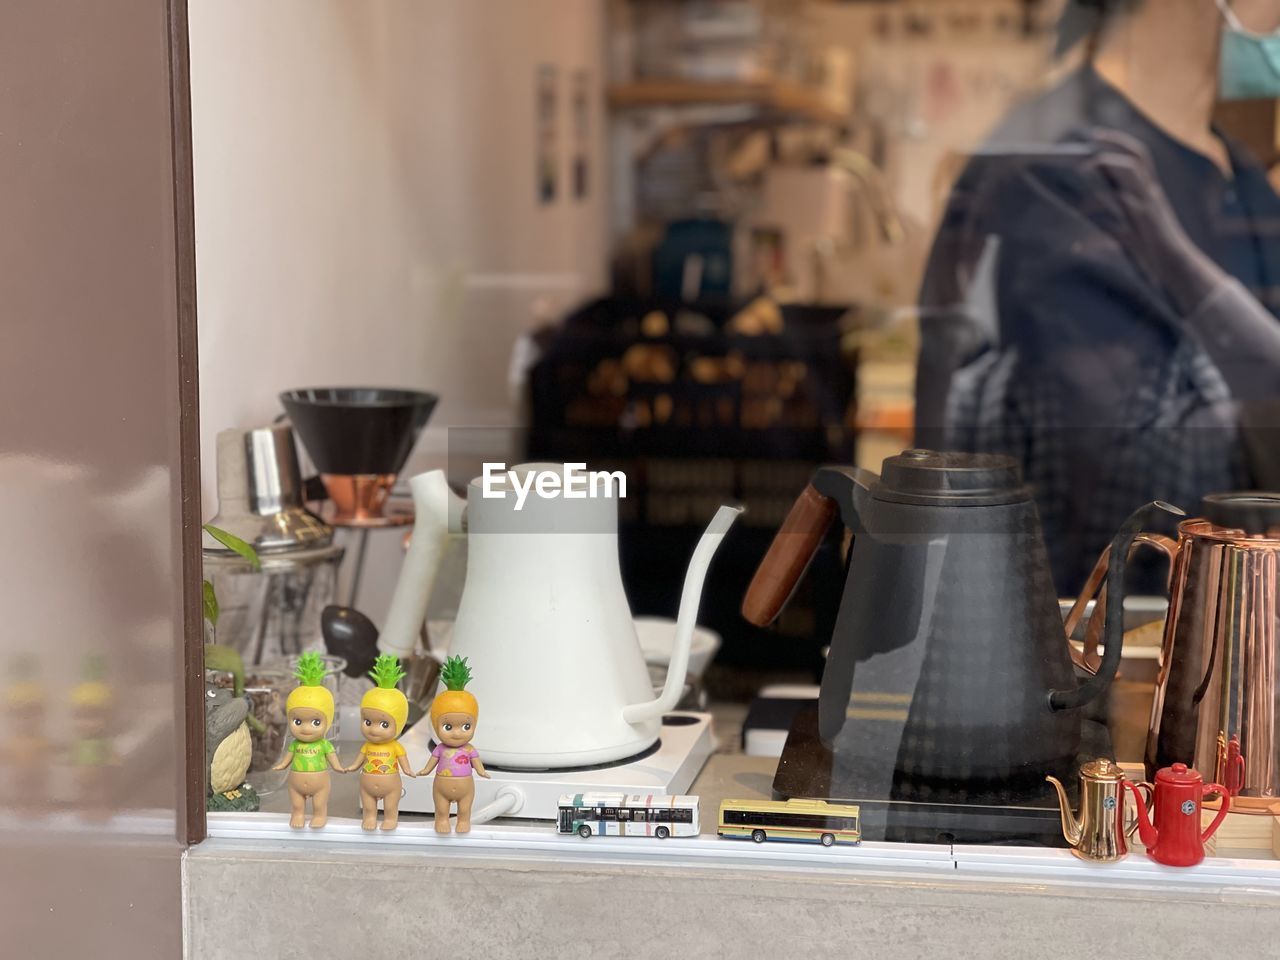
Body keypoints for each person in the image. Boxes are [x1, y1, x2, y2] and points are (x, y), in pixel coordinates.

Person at [917, 0, 1280, 592]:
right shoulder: (1064, 168)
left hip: (1237, 633)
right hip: (1111, 647)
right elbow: (1112, 490)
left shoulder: (1243, 181)